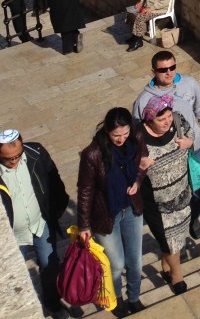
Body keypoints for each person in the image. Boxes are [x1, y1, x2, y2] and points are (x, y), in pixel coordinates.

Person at [133, 50, 200, 241]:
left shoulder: (189, 83)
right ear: (153, 71)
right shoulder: (143, 101)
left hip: (193, 153)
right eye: (163, 69)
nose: (169, 72)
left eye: (172, 67)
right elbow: (137, 135)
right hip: (167, 163)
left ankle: (192, 217)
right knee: (177, 200)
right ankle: (182, 225)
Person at [77, 108, 148, 317]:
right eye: (116, 135)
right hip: (106, 214)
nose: (121, 139)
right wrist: (83, 225)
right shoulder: (92, 154)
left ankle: (134, 297)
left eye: (125, 133)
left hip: (131, 208)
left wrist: (138, 181)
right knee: (116, 264)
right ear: (107, 130)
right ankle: (116, 299)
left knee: (135, 260)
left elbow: (143, 163)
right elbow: (85, 191)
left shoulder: (135, 139)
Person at [0, 128, 77, 319]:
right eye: (9, 159)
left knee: (50, 265)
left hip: (40, 224)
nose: (14, 161)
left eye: (18, 155)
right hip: (14, 235)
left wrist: (57, 210)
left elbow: (55, 181)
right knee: (14, 276)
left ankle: (53, 304)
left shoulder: (37, 153)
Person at [136, 94, 193, 294]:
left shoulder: (178, 121)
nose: (167, 121)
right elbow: (123, 162)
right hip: (156, 203)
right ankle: (177, 276)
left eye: (168, 116)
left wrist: (189, 141)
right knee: (169, 240)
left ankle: (166, 262)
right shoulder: (138, 137)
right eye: (161, 119)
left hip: (182, 193)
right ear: (149, 119)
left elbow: (191, 135)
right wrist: (139, 165)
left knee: (177, 235)